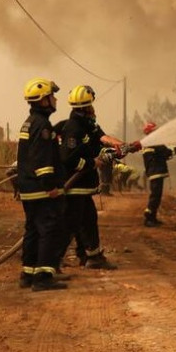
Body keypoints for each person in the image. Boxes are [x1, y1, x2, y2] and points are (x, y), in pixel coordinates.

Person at [58, 84, 135, 270]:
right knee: (70, 224)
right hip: (73, 185)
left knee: (87, 220)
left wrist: (123, 145)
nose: (94, 108)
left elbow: (102, 137)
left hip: (83, 187)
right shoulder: (73, 128)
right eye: (91, 105)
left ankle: (91, 256)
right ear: (85, 108)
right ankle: (51, 260)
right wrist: (94, 162)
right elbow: (67, 158)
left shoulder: (87, 124)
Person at [15, 77, 68, 291]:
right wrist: (50, 186)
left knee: (33, 231)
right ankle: (43, 277)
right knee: (49, 231)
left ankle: (28, 274)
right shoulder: (42, 125)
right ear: (43, 100)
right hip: (41, 189)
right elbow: (43, 159)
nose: (55, 99)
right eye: (51, 96)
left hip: (28, 187)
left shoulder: (30, 122)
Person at [140, 122, 176, 227]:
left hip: (153, 173)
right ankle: (149, 217)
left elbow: (163, 154)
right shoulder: (154, 142)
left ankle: (152, 217)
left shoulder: (148, 143)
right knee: (155, 196)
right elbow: (167, 152)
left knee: (156, 195)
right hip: (156, 173)